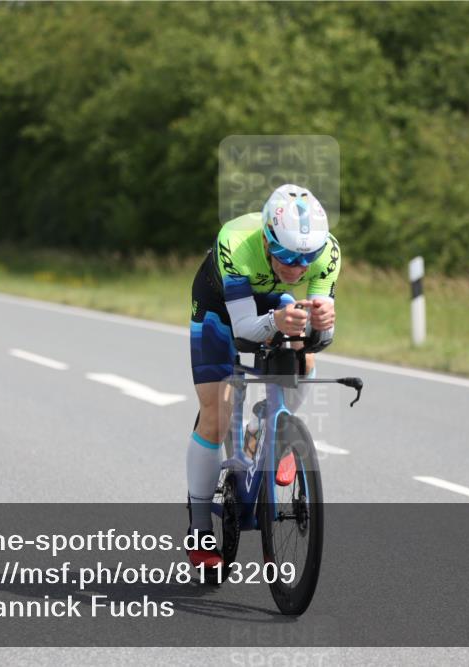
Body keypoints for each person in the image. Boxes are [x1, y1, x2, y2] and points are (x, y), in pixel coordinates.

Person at [186, 184, 341, 568]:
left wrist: (322, 325)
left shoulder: (327, 253)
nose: (298, 268)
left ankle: (272, 432)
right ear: (268, 241)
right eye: (287, 255)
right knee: (216, 414)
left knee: (303, 355)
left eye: (307, 259)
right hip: (220, 306)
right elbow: (243, 330)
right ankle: (200, 526)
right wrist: (275, 321)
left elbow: (321, 340)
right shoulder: (236, 242)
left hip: (272, 301)